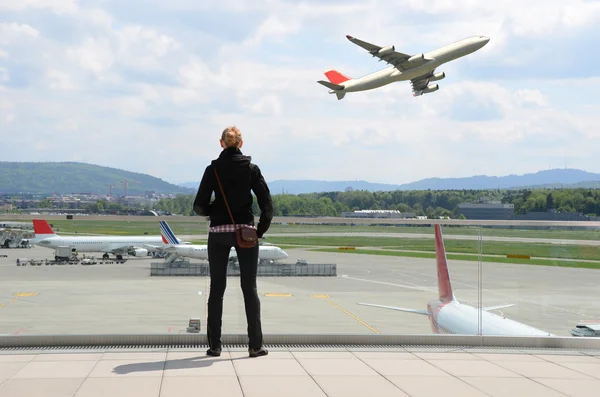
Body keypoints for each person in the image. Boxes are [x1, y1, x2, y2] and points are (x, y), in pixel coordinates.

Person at [193, 126, 273, 358]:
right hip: (246, 233)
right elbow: (267, 204)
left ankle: (215, 346)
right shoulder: (251, 169)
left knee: (217, 289)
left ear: (221, 144)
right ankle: (255, 345)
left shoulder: (213, 169)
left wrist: (214, 212)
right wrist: (259, 231)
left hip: (218, 232)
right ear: (241, 143)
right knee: (250, 288)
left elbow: (198, 205)